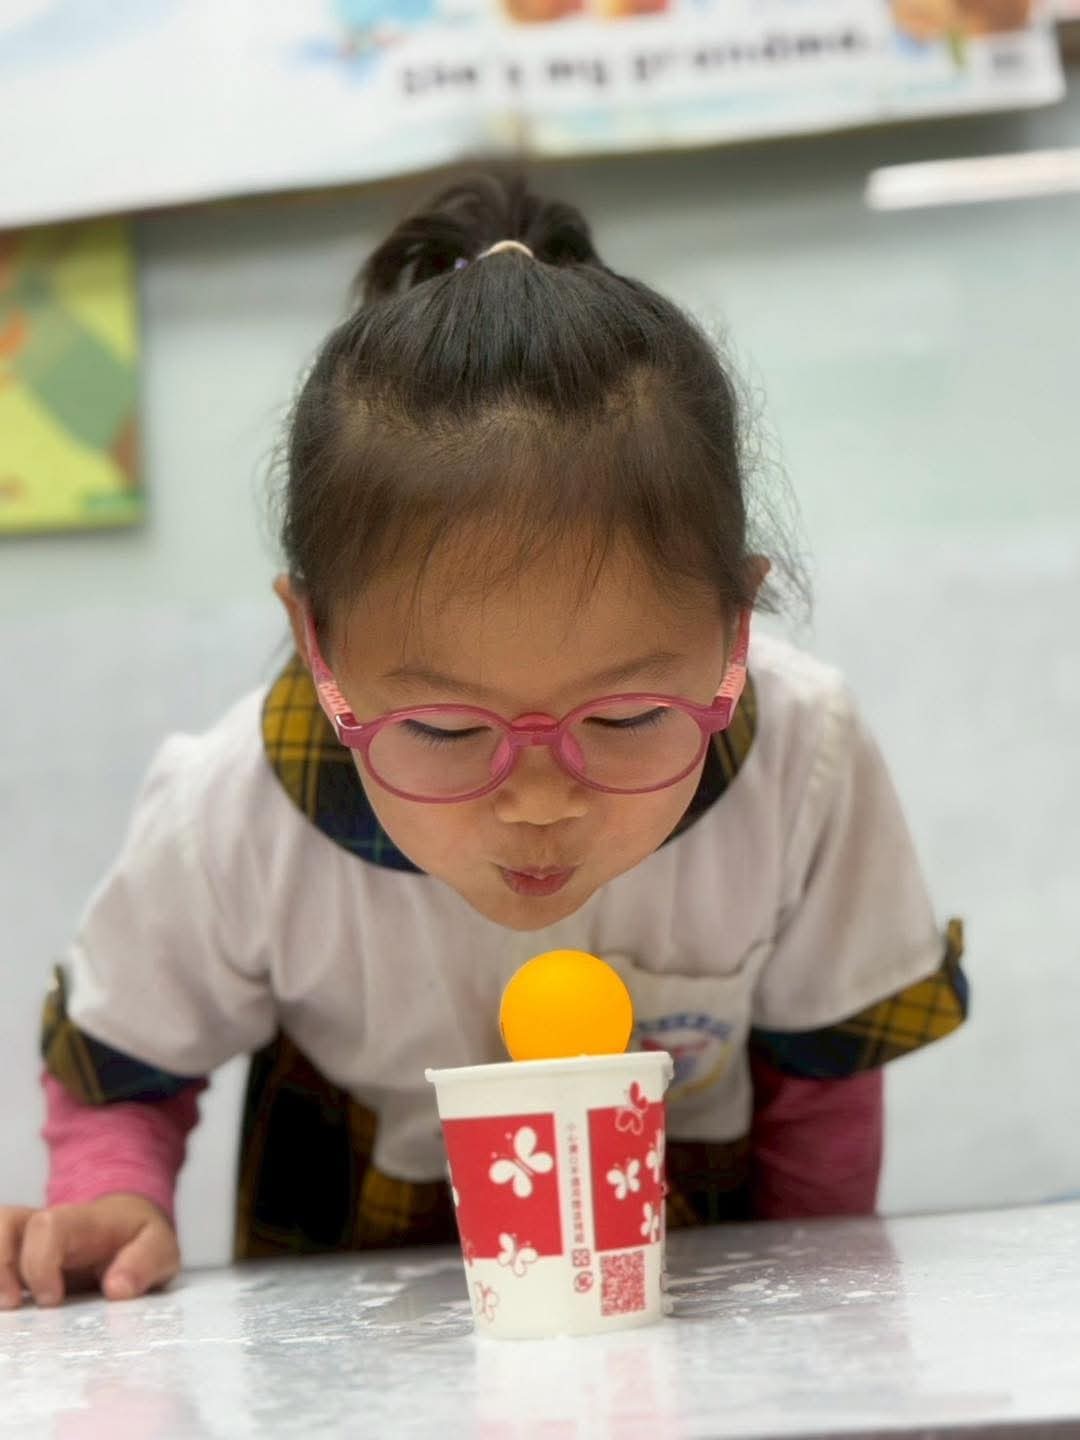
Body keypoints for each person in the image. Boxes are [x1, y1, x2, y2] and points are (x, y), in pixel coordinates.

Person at [0, 174, 967, 1310]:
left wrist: (811, 1322)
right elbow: (123, 1064)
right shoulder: (239, 808)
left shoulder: (802, 761)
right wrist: (113, 1197)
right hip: (351, 1293)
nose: (540, 802)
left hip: (693, 1285)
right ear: (317, 643)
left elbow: (824, 1086)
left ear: (734, 627)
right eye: (448, 729)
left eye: (625, 717)